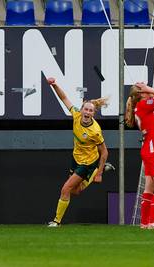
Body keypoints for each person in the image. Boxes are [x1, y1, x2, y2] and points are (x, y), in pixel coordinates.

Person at [47, 77, 111, 227]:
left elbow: (105, 152)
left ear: (93, 114)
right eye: (86, 109)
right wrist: (55, 85)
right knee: (75, 191)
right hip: (76, 158)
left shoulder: (95, 131)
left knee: (66, 188)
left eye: (90, 110)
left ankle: (56, 221)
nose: (87, 112)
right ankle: (94, 173)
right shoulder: (76, 115)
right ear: (81, 109)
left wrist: (99, 173)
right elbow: (64, 98)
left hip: (87, 162)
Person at [125, 82, 154, 229]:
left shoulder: (140, 106)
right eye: (144, 89)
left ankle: (145, 222)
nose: (148, 90)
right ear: (141, 94)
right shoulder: (144, 104)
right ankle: (153, 222)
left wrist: (147, 91)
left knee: (150, 188)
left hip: (149, 148)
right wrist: (149, 89)